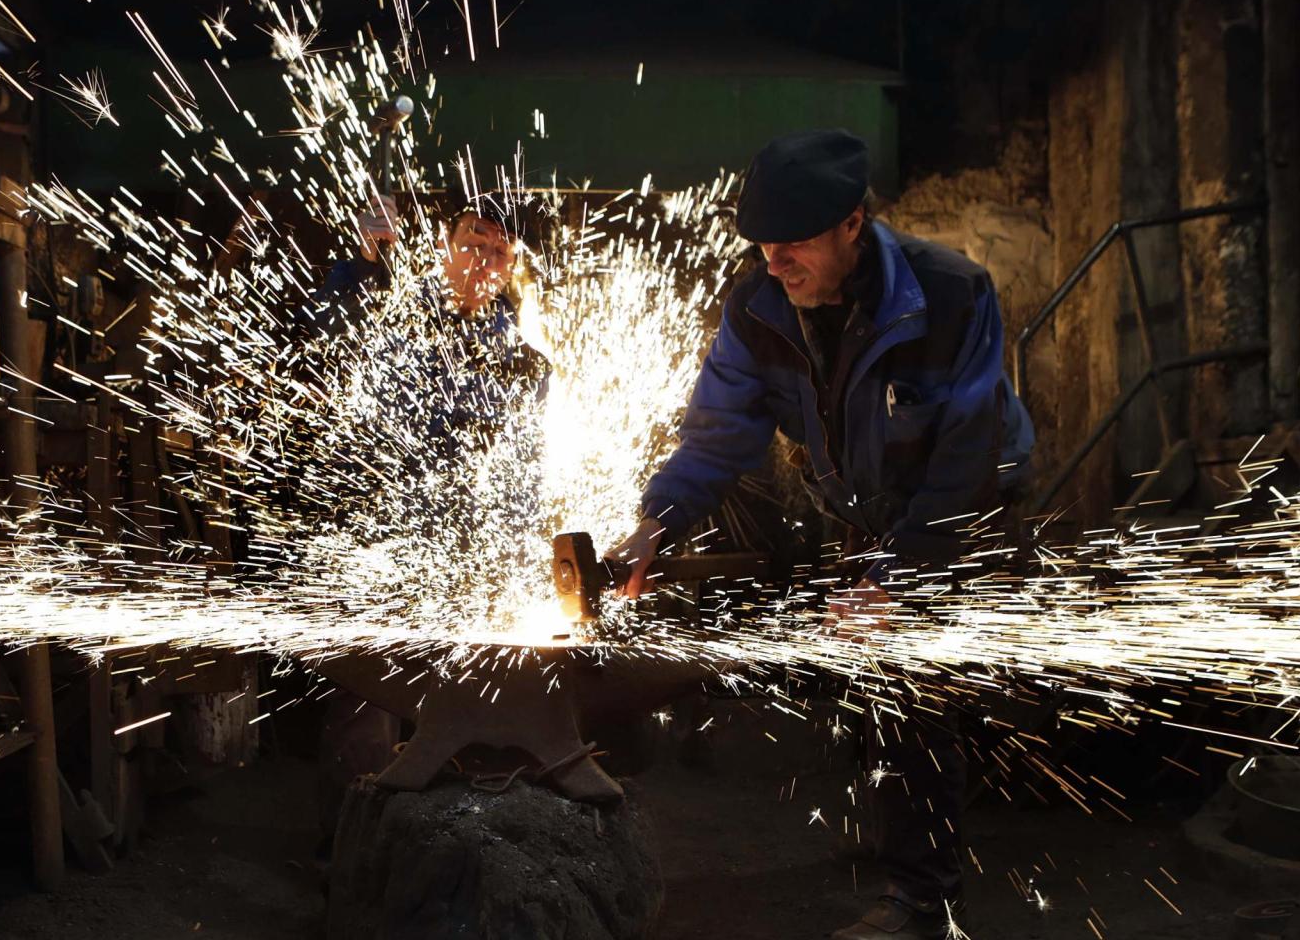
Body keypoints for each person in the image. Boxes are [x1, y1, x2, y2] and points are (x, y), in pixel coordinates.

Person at [607, 129, 1033, 940]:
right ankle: (916, 856)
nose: (776, 262)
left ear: (853, 224)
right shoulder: (758, 308)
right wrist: (655, 524)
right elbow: (718, 435)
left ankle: (925, 907)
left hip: (965, 513)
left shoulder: (952, 294)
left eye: (794, 242)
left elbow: (967, 458)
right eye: (763, 245)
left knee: (917, 697)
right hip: (870, 512)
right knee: (883, 704)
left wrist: (898, 580)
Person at [309, 193, 552, 846]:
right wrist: (363, 263)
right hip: (385, 539)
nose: (484, 258)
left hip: (471, 555)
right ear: (445, 247)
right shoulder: (393, 307)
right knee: (372, 702)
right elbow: (331, 331)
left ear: (510, 266)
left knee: (464, 709)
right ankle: (354, 852)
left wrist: (522, 556)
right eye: (473, 241)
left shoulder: (520, 356)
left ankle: (448, 851)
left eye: (499, 250)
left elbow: (523, 475)